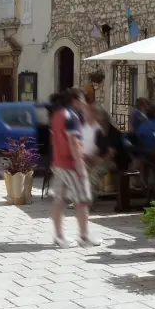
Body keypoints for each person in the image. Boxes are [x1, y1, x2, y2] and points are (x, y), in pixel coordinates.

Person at [50, 88, 102, 248]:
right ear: (75, 100)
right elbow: (74, 141)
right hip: (72, 165)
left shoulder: (57, 115)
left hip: (58, 163)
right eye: (82, 100)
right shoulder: (72, 116)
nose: (84, 103)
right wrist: (80, 165)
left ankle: (59, 236)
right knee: (82, 201)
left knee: (59, 200)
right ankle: (84, 237)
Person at [95, 108, 130, 188]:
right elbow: (97, 150)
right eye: (98, 120)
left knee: (101, 168)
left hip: (119, 162)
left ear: (107, 120)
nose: (100, 123)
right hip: (107, 161)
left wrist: (100, 162)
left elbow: (112, 154)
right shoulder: (98, 133)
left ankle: (106, 187)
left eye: (102, 120)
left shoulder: (115, 133)